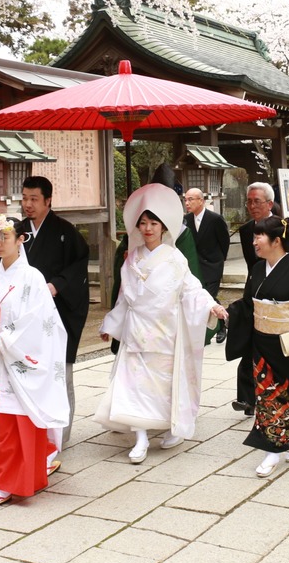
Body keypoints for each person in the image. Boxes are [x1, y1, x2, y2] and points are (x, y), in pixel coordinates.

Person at [97, 185, 228, 463]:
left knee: (164, 384)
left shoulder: (174, 257)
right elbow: (124, 296)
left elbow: (191, 288)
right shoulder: (132, 257)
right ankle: (141, 437)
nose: (147, 228)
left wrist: (211, 305)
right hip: (136, 330)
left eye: (153, 223)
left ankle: (171, 425)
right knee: (134, 384)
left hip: (165, 330)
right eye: (143, 223)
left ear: (163, 227)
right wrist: (110, 324)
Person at [0, 214, 72, 509]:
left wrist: (6, 339)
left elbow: (39, 321)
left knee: (17, 422)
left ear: (21, 239)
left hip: (17, 359)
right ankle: (10, 477)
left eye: (5, 237)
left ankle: (6, 483)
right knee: (1, 422)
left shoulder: (32, 277)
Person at [225, 216, 289, 478]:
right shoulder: (258, 270)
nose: (254, 241)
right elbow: (249, 306)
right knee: (268, 397)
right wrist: (227, 314)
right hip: (263, 344)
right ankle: (272, 449)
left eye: (259, 236)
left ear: (276, 241)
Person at [15, 176, 88, 442]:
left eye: (34, 199)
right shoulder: (16, 231)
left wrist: (56, 285)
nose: (28, 205)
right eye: (24, 198)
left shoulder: (65, 231)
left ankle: (61, 435)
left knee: (60, 373)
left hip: (58, 312)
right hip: (25, 315)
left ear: (48, 201)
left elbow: (79, 264)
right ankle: (33, 431)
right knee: (28, 373)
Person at [235, 182, 289, 416]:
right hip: (254, 289)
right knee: (247, 340)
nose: (252, 206)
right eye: (249, 201)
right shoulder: (245, 230)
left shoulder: (285, 227)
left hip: (281, 293)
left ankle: (279, 393)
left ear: (269, 204)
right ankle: (246, 398)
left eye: (257, 201)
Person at [183, 188, 231, 344]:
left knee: (208, 296)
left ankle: (219, 326)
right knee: (200, 296)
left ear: (201, 200)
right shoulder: (186, 220)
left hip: (212, 265)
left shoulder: (215, 219)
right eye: (185, 200)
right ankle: (215, 325)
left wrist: (218, 261)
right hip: (194, 267)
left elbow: (224, 242)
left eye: (191, 199)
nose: (187, 203)